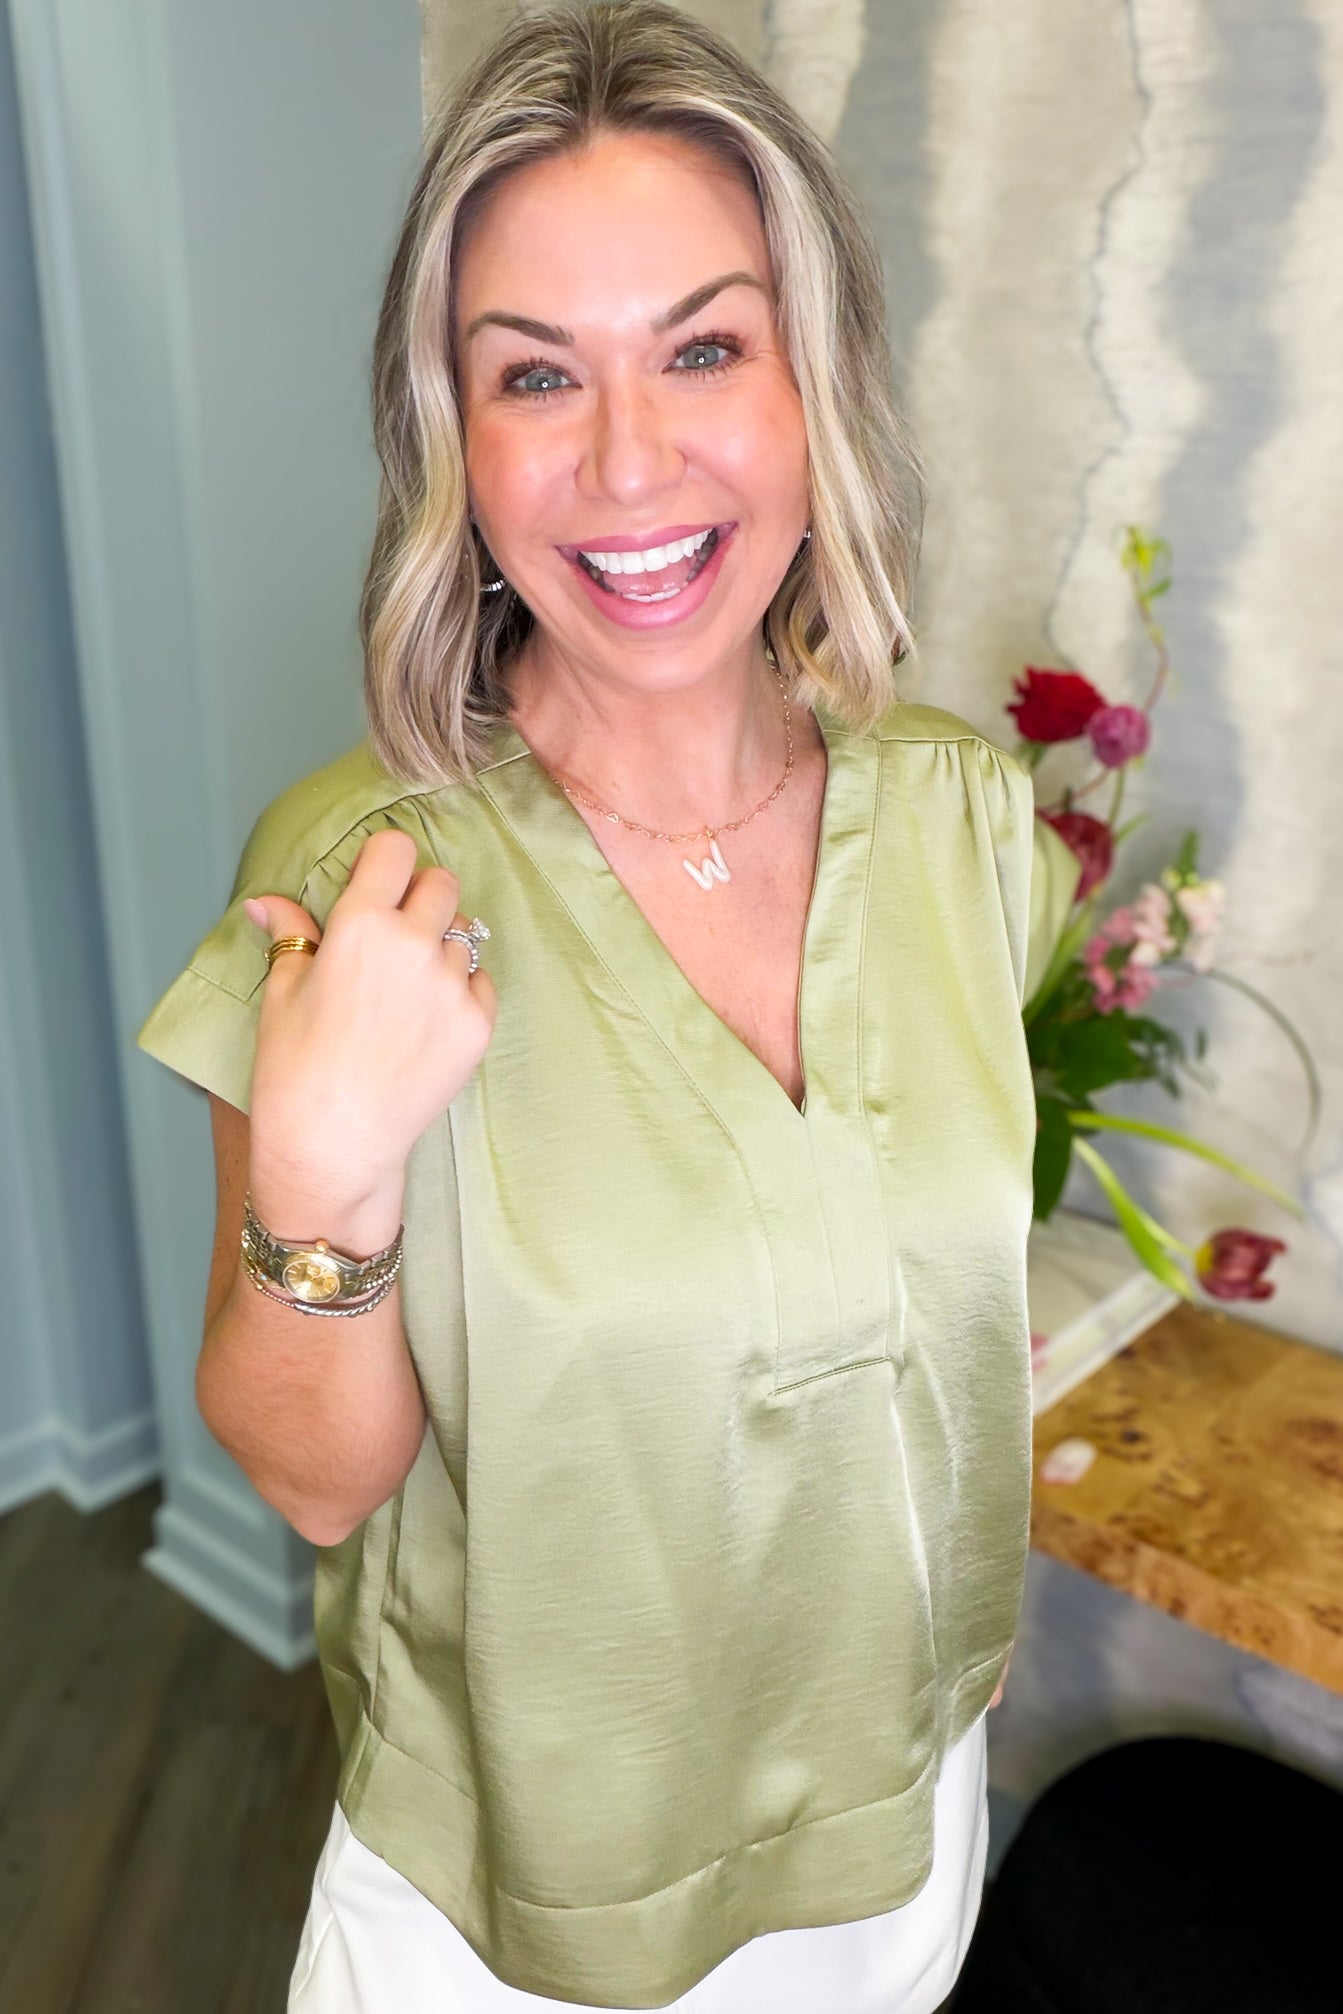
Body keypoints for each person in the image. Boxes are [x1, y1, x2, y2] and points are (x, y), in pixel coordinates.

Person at [136, 4, 1079, 2009]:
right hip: (518, 1920)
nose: (628, 461)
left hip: (905, 1835)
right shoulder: (361, 876)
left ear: (818, 383)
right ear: (455, 444)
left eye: (705, 349)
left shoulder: (966, 824)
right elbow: (317, 1479)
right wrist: (323, 1164)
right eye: (537, 374)